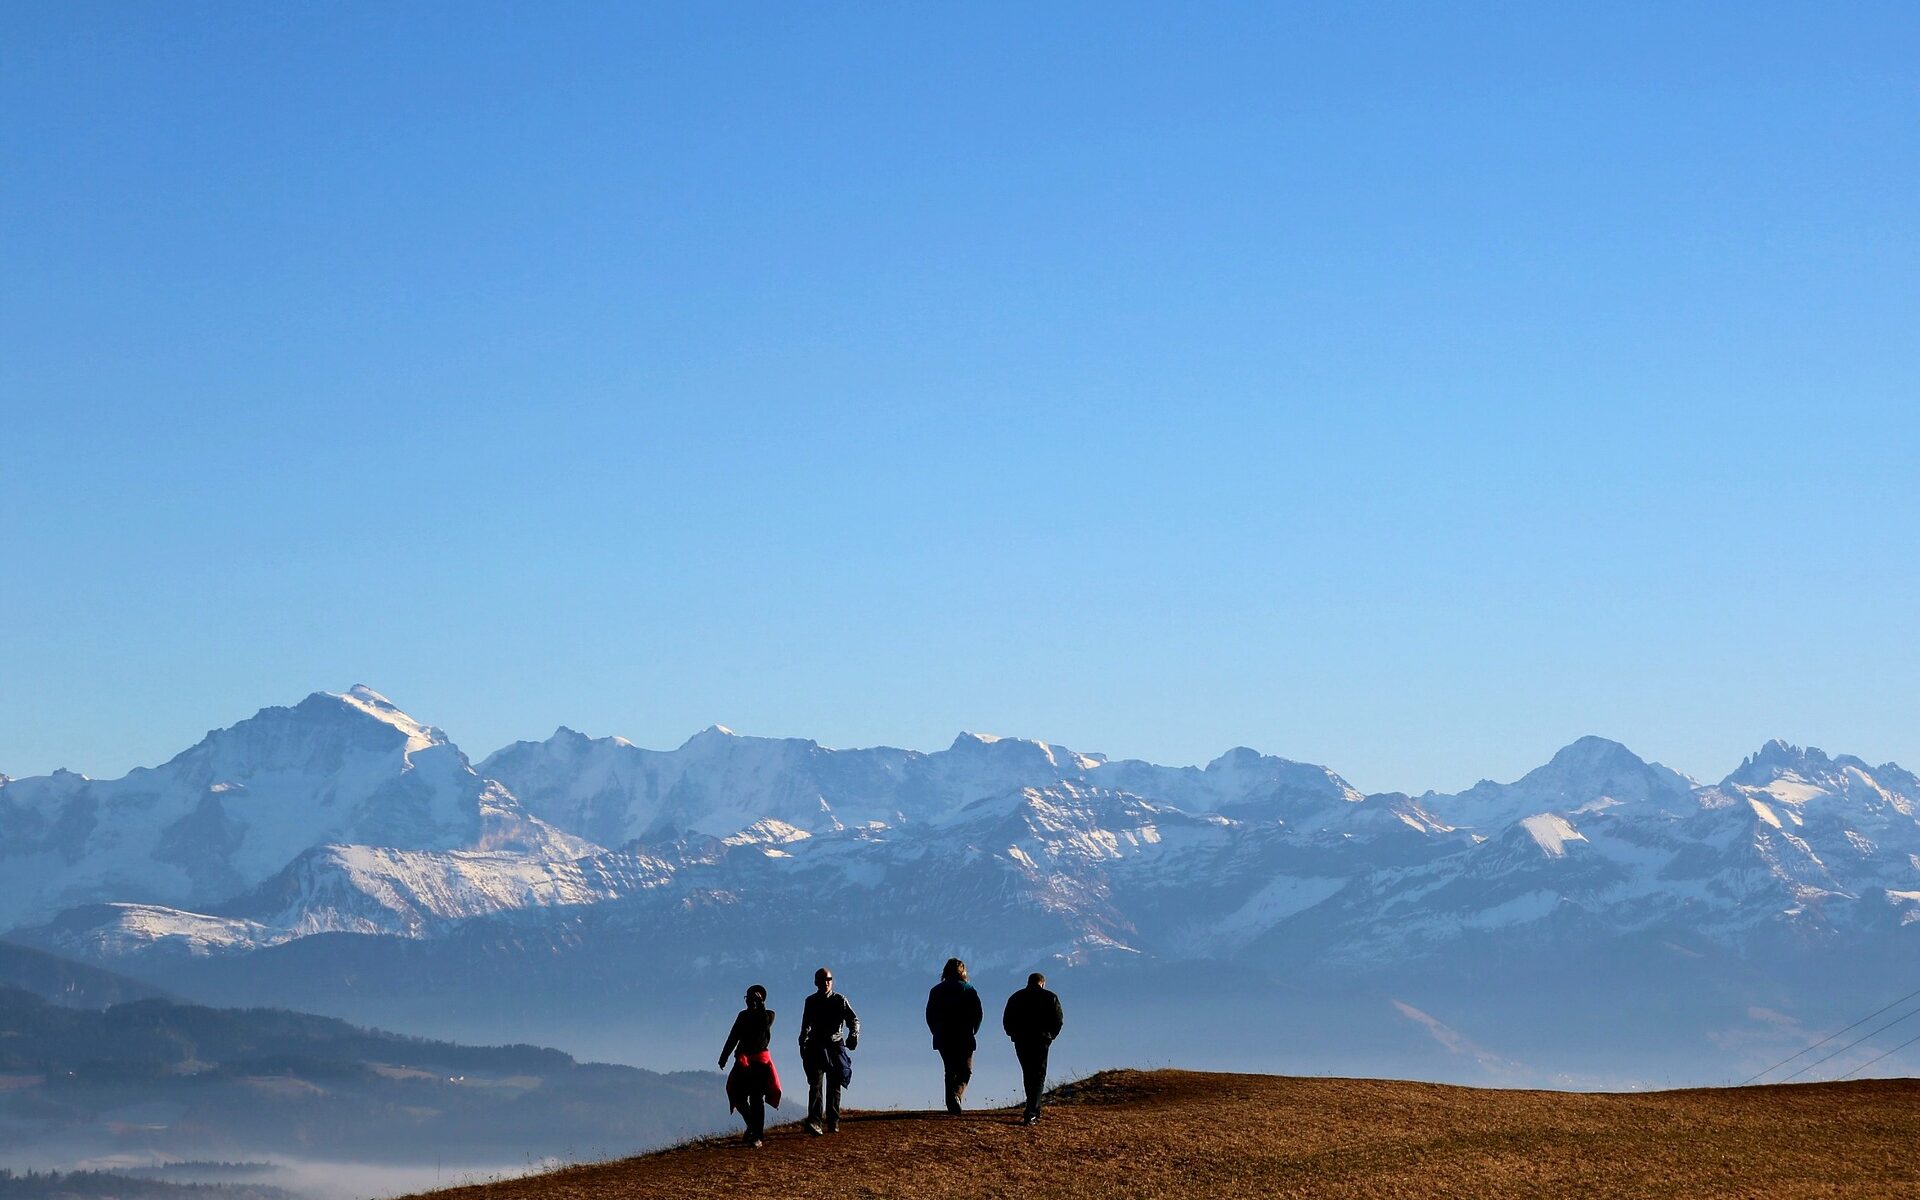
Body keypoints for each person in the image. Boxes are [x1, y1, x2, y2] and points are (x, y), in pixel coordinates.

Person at [797, 966, 858, 1135]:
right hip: (816, 1046)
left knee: (834, 1085)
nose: (826, 983)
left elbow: (853, 1019)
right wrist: (803, 1041)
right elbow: (805, 1024)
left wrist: (854, 1034)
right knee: (815, 1085)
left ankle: (833, 1121)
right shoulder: (810, 1001)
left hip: (835, 1046)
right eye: (823, 980)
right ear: (816, 983)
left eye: (829, 980)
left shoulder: (840, 1000)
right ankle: (815, 1121)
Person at [719, 983, 781, 1148]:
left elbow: (763, 1024)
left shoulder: (769, 1015)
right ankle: (752, 1126)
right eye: (748, 998)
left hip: (759, 1063)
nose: (749, 1001)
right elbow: (734, 1036)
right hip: (742, 1061)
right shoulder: (742, 1016)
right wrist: (724, 1056)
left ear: (761, 1000)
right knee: (736, 1094)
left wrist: (760, 1006)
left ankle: (757, 1134)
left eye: (754, 998)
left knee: (756, 1098)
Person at [1002, 972, 1063, 1125]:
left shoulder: (1016, 997)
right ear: (1042, 983)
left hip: (1022, 1040)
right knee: (1039, 1073)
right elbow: (1058, 1020)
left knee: (1028, 1072)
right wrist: (1051, 1035)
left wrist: (1013, 1035)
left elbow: (1007, 1020)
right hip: (1041, 1040)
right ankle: (1032, 1110)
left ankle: (1031, 1106)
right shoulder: (1050, 997)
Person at [925, 957, 983, 1113]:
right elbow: (978, 1013)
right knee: (965, 1069)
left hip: (943, 1036)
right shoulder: (968, 989)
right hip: (964, 1035)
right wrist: (973, 1030)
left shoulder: (936, 991)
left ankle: (952, 1101)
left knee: (950, 1069)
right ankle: (956, 1095)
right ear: (963, 971)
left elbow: (929, 1015)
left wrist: (935, 1031)